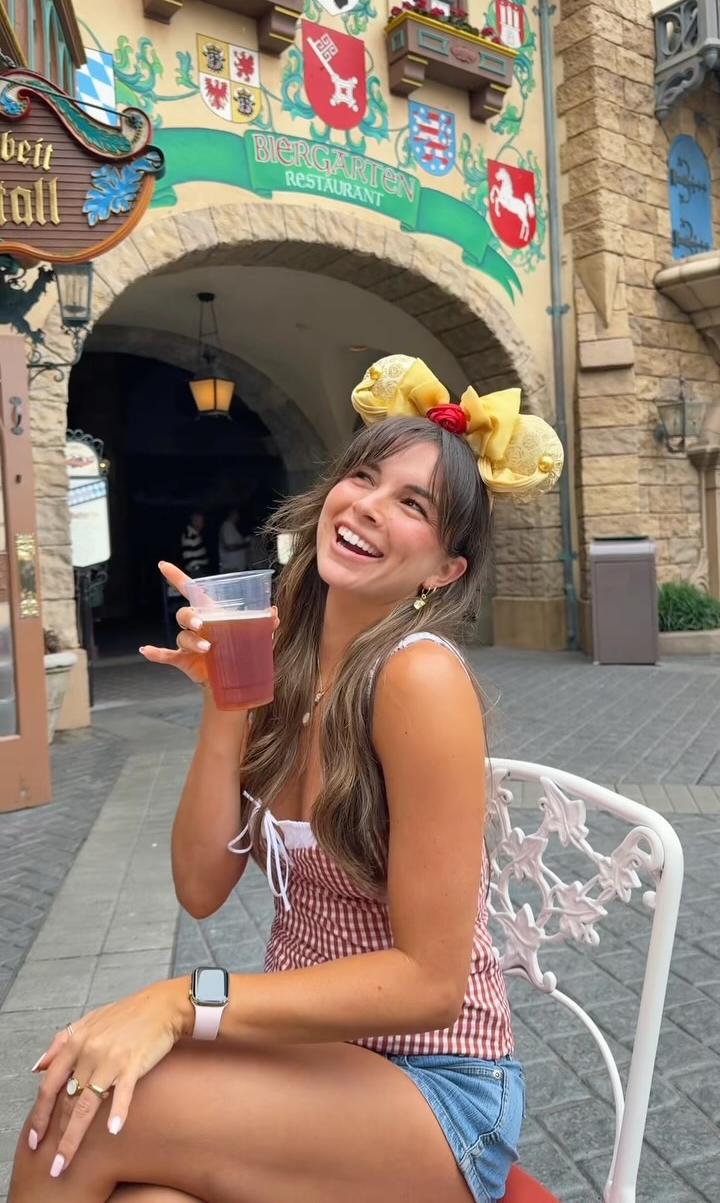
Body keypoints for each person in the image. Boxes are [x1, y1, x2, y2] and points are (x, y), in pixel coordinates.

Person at [9, 354, 563, 1203]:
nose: (369, 505)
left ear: (445, 570)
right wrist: (225, 701)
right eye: (363, 478)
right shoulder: (287, 666)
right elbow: (201, 887)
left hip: (439, 1090)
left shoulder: (418, 679)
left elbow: (431, 983)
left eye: (412, 505)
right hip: (311, 1061)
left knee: (84, 1112)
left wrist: (182, 1001)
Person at [217, 509, 250, 573]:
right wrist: (246, 544)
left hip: (235, 569)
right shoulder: (227, 526)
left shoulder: (231, 526)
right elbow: (230, 547)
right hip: (231, 569)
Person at [180, 511, 209, 578]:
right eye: (199, 521)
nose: (202, 524)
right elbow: (188, 557)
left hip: (200, 570)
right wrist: (197, 569)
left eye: (202, 521)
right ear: (193, 521)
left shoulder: (196, 534)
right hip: (197, 572)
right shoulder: (189, 536)